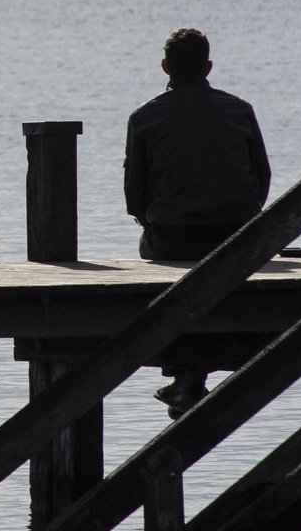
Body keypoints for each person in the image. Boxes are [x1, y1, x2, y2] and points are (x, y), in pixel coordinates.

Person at [124, 27, 271, 416]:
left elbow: (134, 197)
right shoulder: (240, 110)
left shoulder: (144, 117)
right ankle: (189, 377)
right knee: (211, 273)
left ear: (164, 67)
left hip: (171, 239)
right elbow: (263, 178)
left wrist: (156, 220)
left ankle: (184, 376)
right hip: (234, 240)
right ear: (208, 66)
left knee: (160, 262)